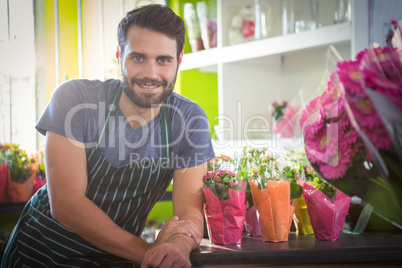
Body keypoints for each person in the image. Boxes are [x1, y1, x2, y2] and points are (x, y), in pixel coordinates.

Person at [1, 4, 215, 268]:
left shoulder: (189, 120)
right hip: (41, 255)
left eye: (163, 60)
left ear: (179, 60)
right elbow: (67, 204)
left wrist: (178, 245)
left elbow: (189, 213)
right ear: (119, 56)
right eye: (138, 58)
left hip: (115, 259)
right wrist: (148, 251)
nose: (150, 73)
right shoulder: (74, 99)